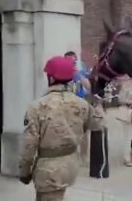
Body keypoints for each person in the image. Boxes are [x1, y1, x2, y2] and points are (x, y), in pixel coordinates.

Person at [18, 56, 106, 200]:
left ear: (51, 78)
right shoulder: (82, 104)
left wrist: (24, 171)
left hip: (48, 169)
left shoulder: (37, 107)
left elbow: (29, 144)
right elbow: (98, 125)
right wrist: (97, 103)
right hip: (70, 164)